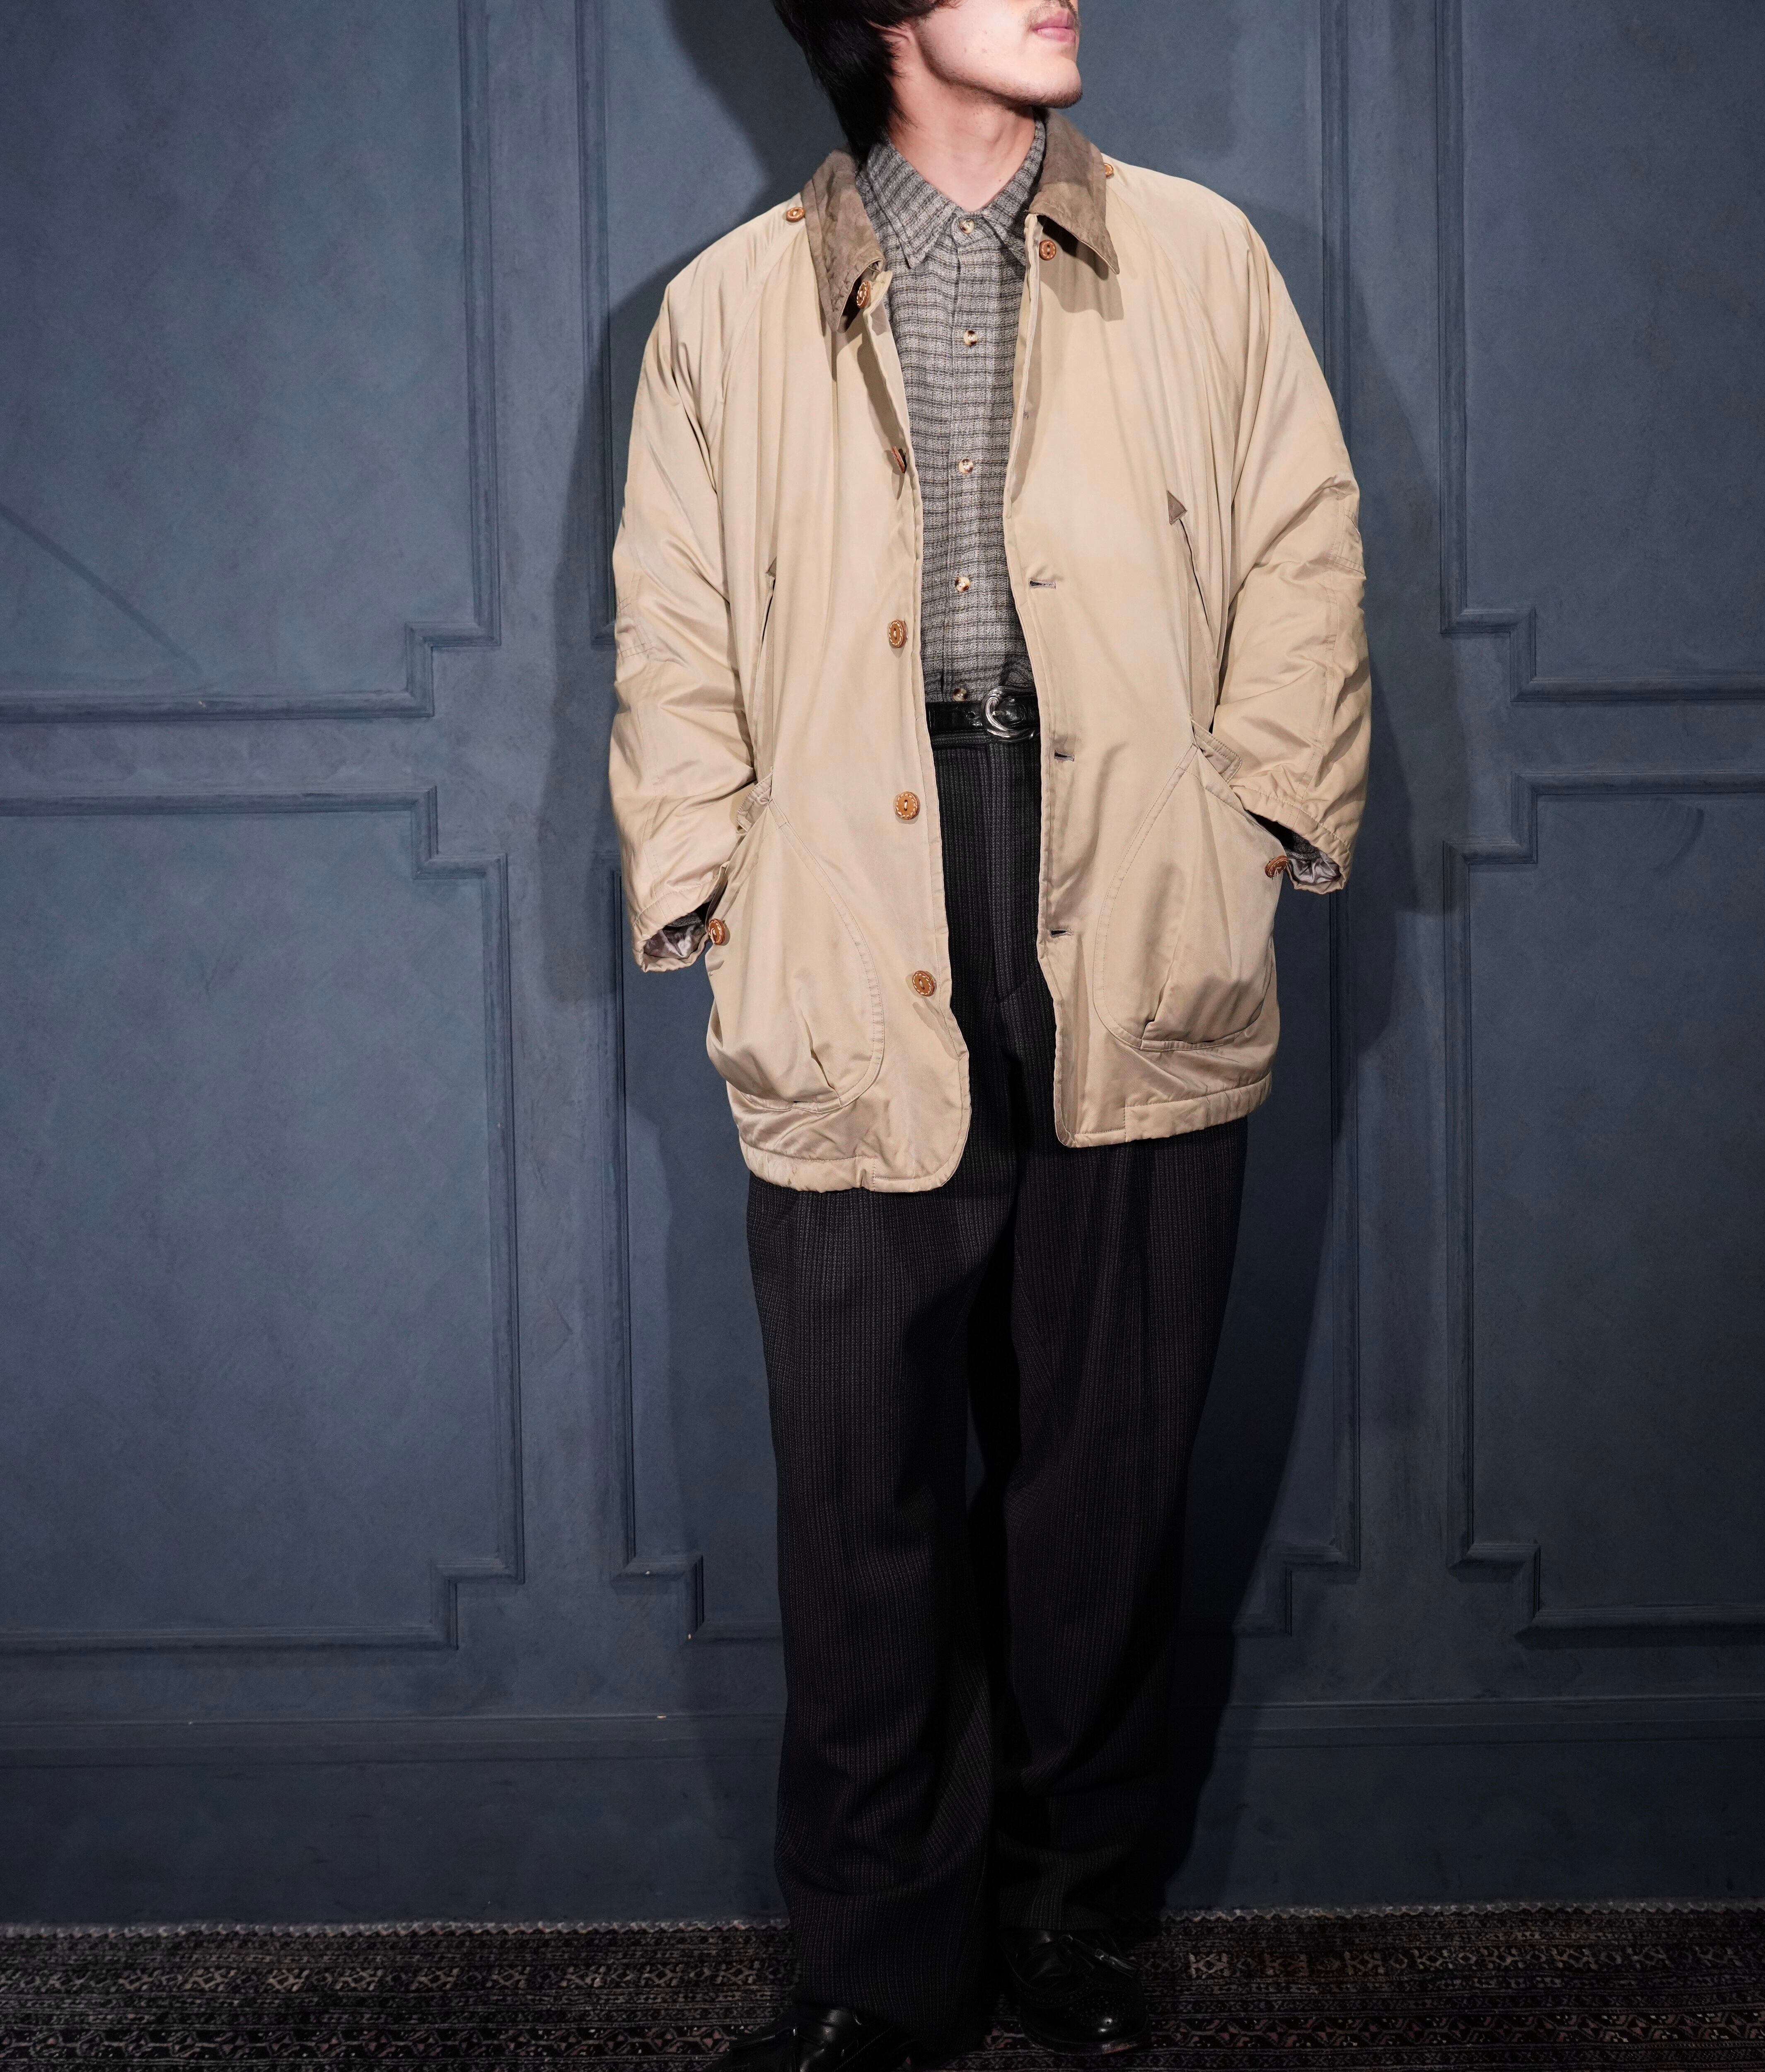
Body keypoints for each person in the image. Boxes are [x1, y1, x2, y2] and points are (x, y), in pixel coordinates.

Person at [608, 1, 1369, 2063]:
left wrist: (1255, 817)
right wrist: (714, 885)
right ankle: (881, 1960)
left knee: (1104, 1458)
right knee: (858, 1475)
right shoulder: (725, 309)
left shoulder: (1202, 258)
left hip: (1131, 865)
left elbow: (1300, 542)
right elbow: (671, 626)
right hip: (852, 889)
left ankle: (1074, 1919)